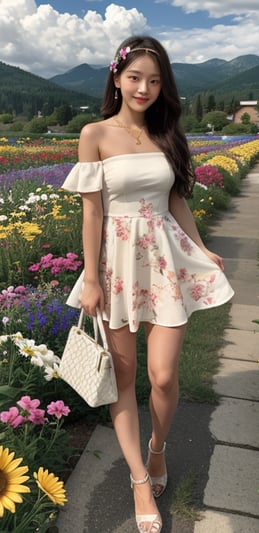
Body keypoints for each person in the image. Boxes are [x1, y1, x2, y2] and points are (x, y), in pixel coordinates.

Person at [62, 35, 234, 533]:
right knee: (123, 377)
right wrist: (91, 278)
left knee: (162, 375)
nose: (145, 88)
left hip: (164, 260)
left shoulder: (166, 132)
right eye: (135, 77)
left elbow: (177, 199)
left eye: (155, 81)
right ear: (116, 79)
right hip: (116, 264)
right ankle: (139, 478)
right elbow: (92, 211)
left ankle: (157, 448)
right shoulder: (94, 132)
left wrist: (200, 247)